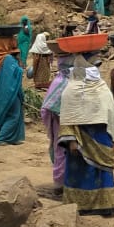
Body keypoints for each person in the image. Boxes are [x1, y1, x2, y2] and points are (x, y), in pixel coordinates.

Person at [57, 55, 114, 216]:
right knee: (80, 172)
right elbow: (67, 116)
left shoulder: (102, 87)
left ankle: (105, 206)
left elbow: (111, 114)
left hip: (101, 137)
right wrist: (70, 139)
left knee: (102, 172)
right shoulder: (71, 90)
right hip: (79, 140)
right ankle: (81, 205)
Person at [41, 43, 73, 194]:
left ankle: (62, 183)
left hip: (61, 123)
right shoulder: (64, 81)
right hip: (63, 123)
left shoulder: (58, 80)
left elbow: (45, 108)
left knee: (61, 151)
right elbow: (50, 106)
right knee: (63, 151)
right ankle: (61, 184)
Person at [0, 37, 26, 145]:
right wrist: (19, 68)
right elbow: (14, 75)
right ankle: (1, 138)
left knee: (6, 113)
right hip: (10, 91)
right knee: (14, 114)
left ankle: (13, 138)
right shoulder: (8, 59)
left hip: (1, 90)